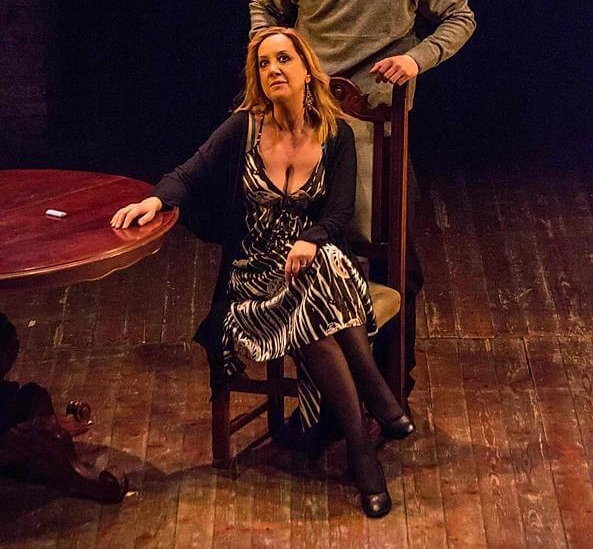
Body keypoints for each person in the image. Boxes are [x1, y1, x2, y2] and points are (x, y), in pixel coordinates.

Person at [111, 27, 415, 518]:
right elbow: (190, 172)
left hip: (314, 270)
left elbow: (338, 215)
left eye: (284, 59)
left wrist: (310, 239)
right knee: (320, 289)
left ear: (306, 69)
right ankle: (376, 406)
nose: (274, 69)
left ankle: (362, 448)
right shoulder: (245, 128)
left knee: (321, 270)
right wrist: (155, 200)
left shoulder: (335, 134)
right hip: (254, 280)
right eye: (264, 63)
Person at [249, 0, 476, 403]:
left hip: (380, 135)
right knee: (310, 258)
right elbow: (264, 7)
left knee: (395, 260)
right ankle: (325, 401)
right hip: (311, 131)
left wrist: (416, 58)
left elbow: (460, 16)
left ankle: (393, 386)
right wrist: (276, 57)